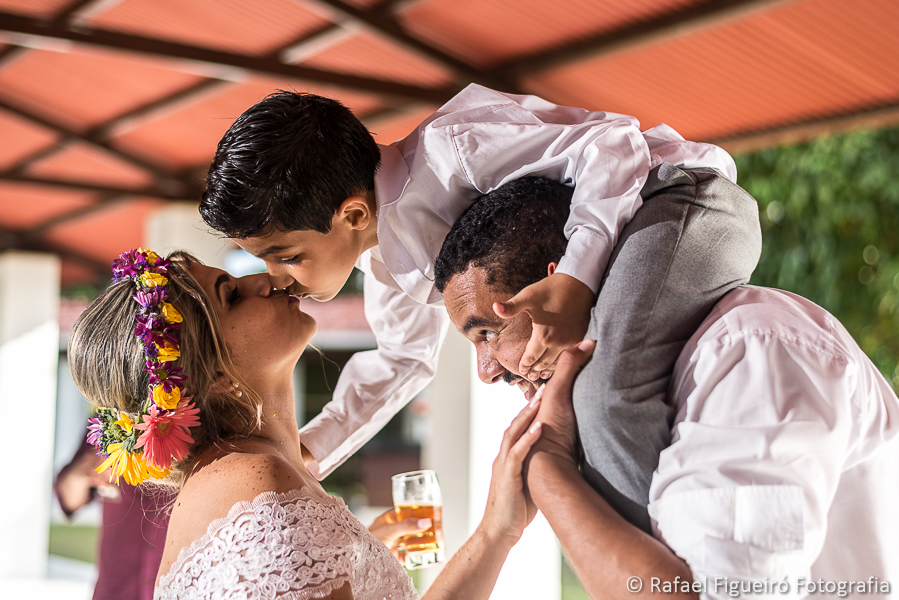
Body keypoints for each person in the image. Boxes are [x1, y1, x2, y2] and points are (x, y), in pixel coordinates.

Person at [198, 85, 758, 482]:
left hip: (678, 197)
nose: (275, 280)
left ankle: (664, 572)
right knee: (565, 419)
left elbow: (612, 146)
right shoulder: (382, 261)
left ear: (350, 214)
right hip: (635, 236)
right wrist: (307, 450)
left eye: (285, 256)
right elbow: (401, 360)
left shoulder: (453, 147)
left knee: (605, 399)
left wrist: (578, 279)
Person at [435, 180, 899, 597]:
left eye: (487, 333)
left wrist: (547, 472)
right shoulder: (648, 391)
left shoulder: (754, 353)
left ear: (553, 289)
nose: (486, 371)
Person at [68, 248, 552, 599]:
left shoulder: (255, 477)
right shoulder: (257, 484)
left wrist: (359, 553)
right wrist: (495, 530)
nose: (263, 279)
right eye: (232, 294)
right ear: (214, 374)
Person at [55, 435, 174, 600]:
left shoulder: (203, 424)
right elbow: (68, 499)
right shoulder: (111, 421)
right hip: (114, 588)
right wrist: (86, 469)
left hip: (172, 588)